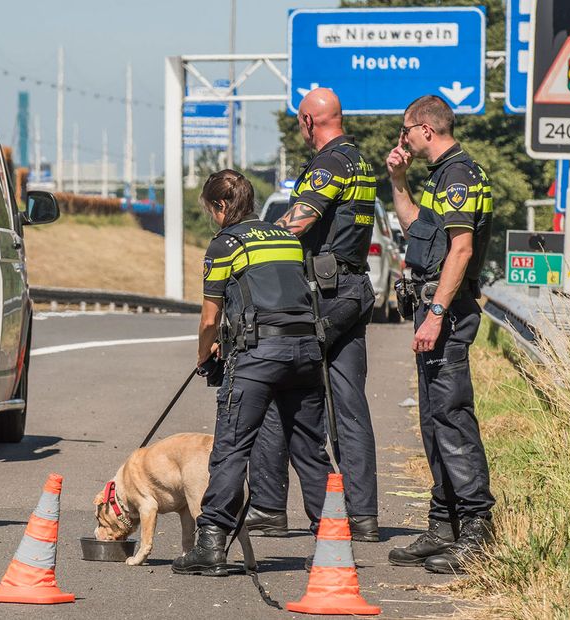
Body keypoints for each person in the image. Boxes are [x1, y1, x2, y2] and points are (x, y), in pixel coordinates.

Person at [172, 170, 331, 576]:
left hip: (258, 356)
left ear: (221, 206)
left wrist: (204, 354)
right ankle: (333, 540)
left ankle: (211, 544)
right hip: (306, 352)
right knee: (310, 450)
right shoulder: (285, 238)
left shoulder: (225, 243)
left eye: (211, 208)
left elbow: (211, 316)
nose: (212, 216)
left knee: (231, 447)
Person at [246, 87, 379, 542]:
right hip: (353, 288)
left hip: (323, 293)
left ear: (307, 122)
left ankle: (267, 507)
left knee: (271, 380)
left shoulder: (329, 164)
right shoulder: (359, 161)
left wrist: (248, 242)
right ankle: (361, 516)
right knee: (350, 405)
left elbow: (296, 225)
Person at [386, 95, 495, 574]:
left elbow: (461, 250)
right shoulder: (439, 176)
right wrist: (397, 180)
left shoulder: (459, 175)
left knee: (451, 418)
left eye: (407, 129)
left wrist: (434, 313)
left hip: (446, 312)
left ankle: (477, 530)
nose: (403, 138)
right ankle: (444, 524)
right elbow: (416, 231)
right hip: (435, 309)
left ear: (425, 129)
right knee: (433, 421)